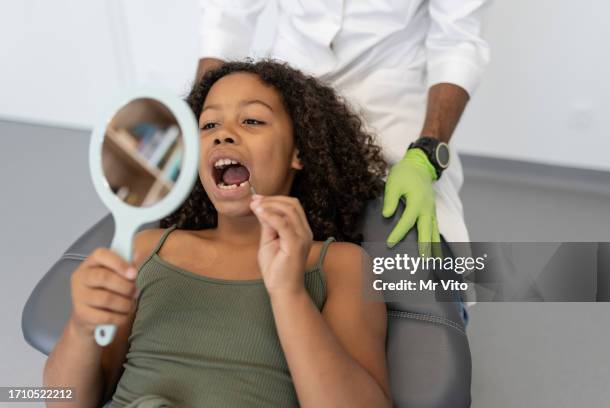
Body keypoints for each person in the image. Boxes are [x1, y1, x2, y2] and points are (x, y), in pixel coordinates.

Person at [43, 60, 392, 407]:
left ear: (298, 152)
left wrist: (289, 294)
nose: (223, 133)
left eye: (252, 120)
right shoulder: (148, 249)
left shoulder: (340, 265)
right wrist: (82, 328)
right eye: (208, 124)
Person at [196, 0, 491, 263]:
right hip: (288, 82)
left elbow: (458, 41)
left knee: (426, 241)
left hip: (389, 93)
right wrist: (196, 123)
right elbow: (226, 18)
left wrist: (426, 153)